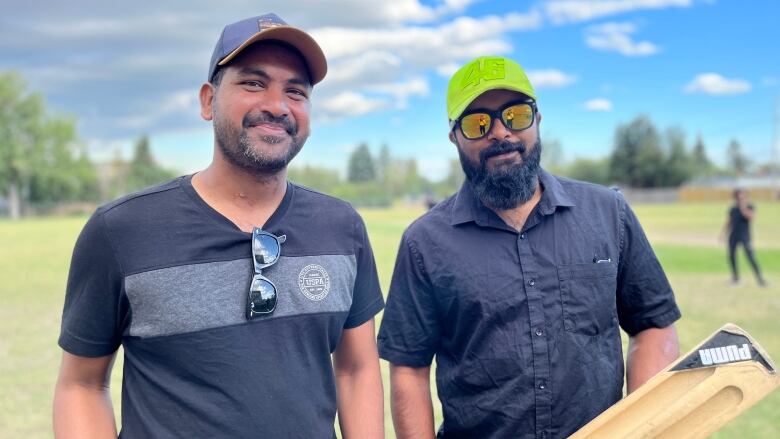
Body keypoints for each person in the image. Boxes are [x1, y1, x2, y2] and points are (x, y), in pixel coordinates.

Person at [53, 13, 385, 438]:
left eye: (296, 91)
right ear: (208, 100)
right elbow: (81, 384)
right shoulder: (120, 231)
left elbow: (356, 370)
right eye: (253, 83)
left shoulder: (342, 227)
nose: (277, 105)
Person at [377, 55, 681, 439]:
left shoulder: (608, 212)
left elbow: (653, 324)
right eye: (477, 122)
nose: (501, 133)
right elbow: (408, 368)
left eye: (516, 114)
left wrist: (641, 427)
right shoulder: (424, 242)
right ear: (454, 136)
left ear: (537, 119)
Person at [722, 188, 767, 287]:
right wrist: (723, 234)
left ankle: (760, 279)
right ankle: (736, 278)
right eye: (738, 195)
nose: (740, 197)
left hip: (745, 236)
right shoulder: (733, 208)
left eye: (743, 195)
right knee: (732, 257)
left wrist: (743, 206)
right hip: (733, 235)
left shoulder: (750, 206)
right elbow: (729, 222)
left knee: (750, 257)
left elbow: (750, 217)